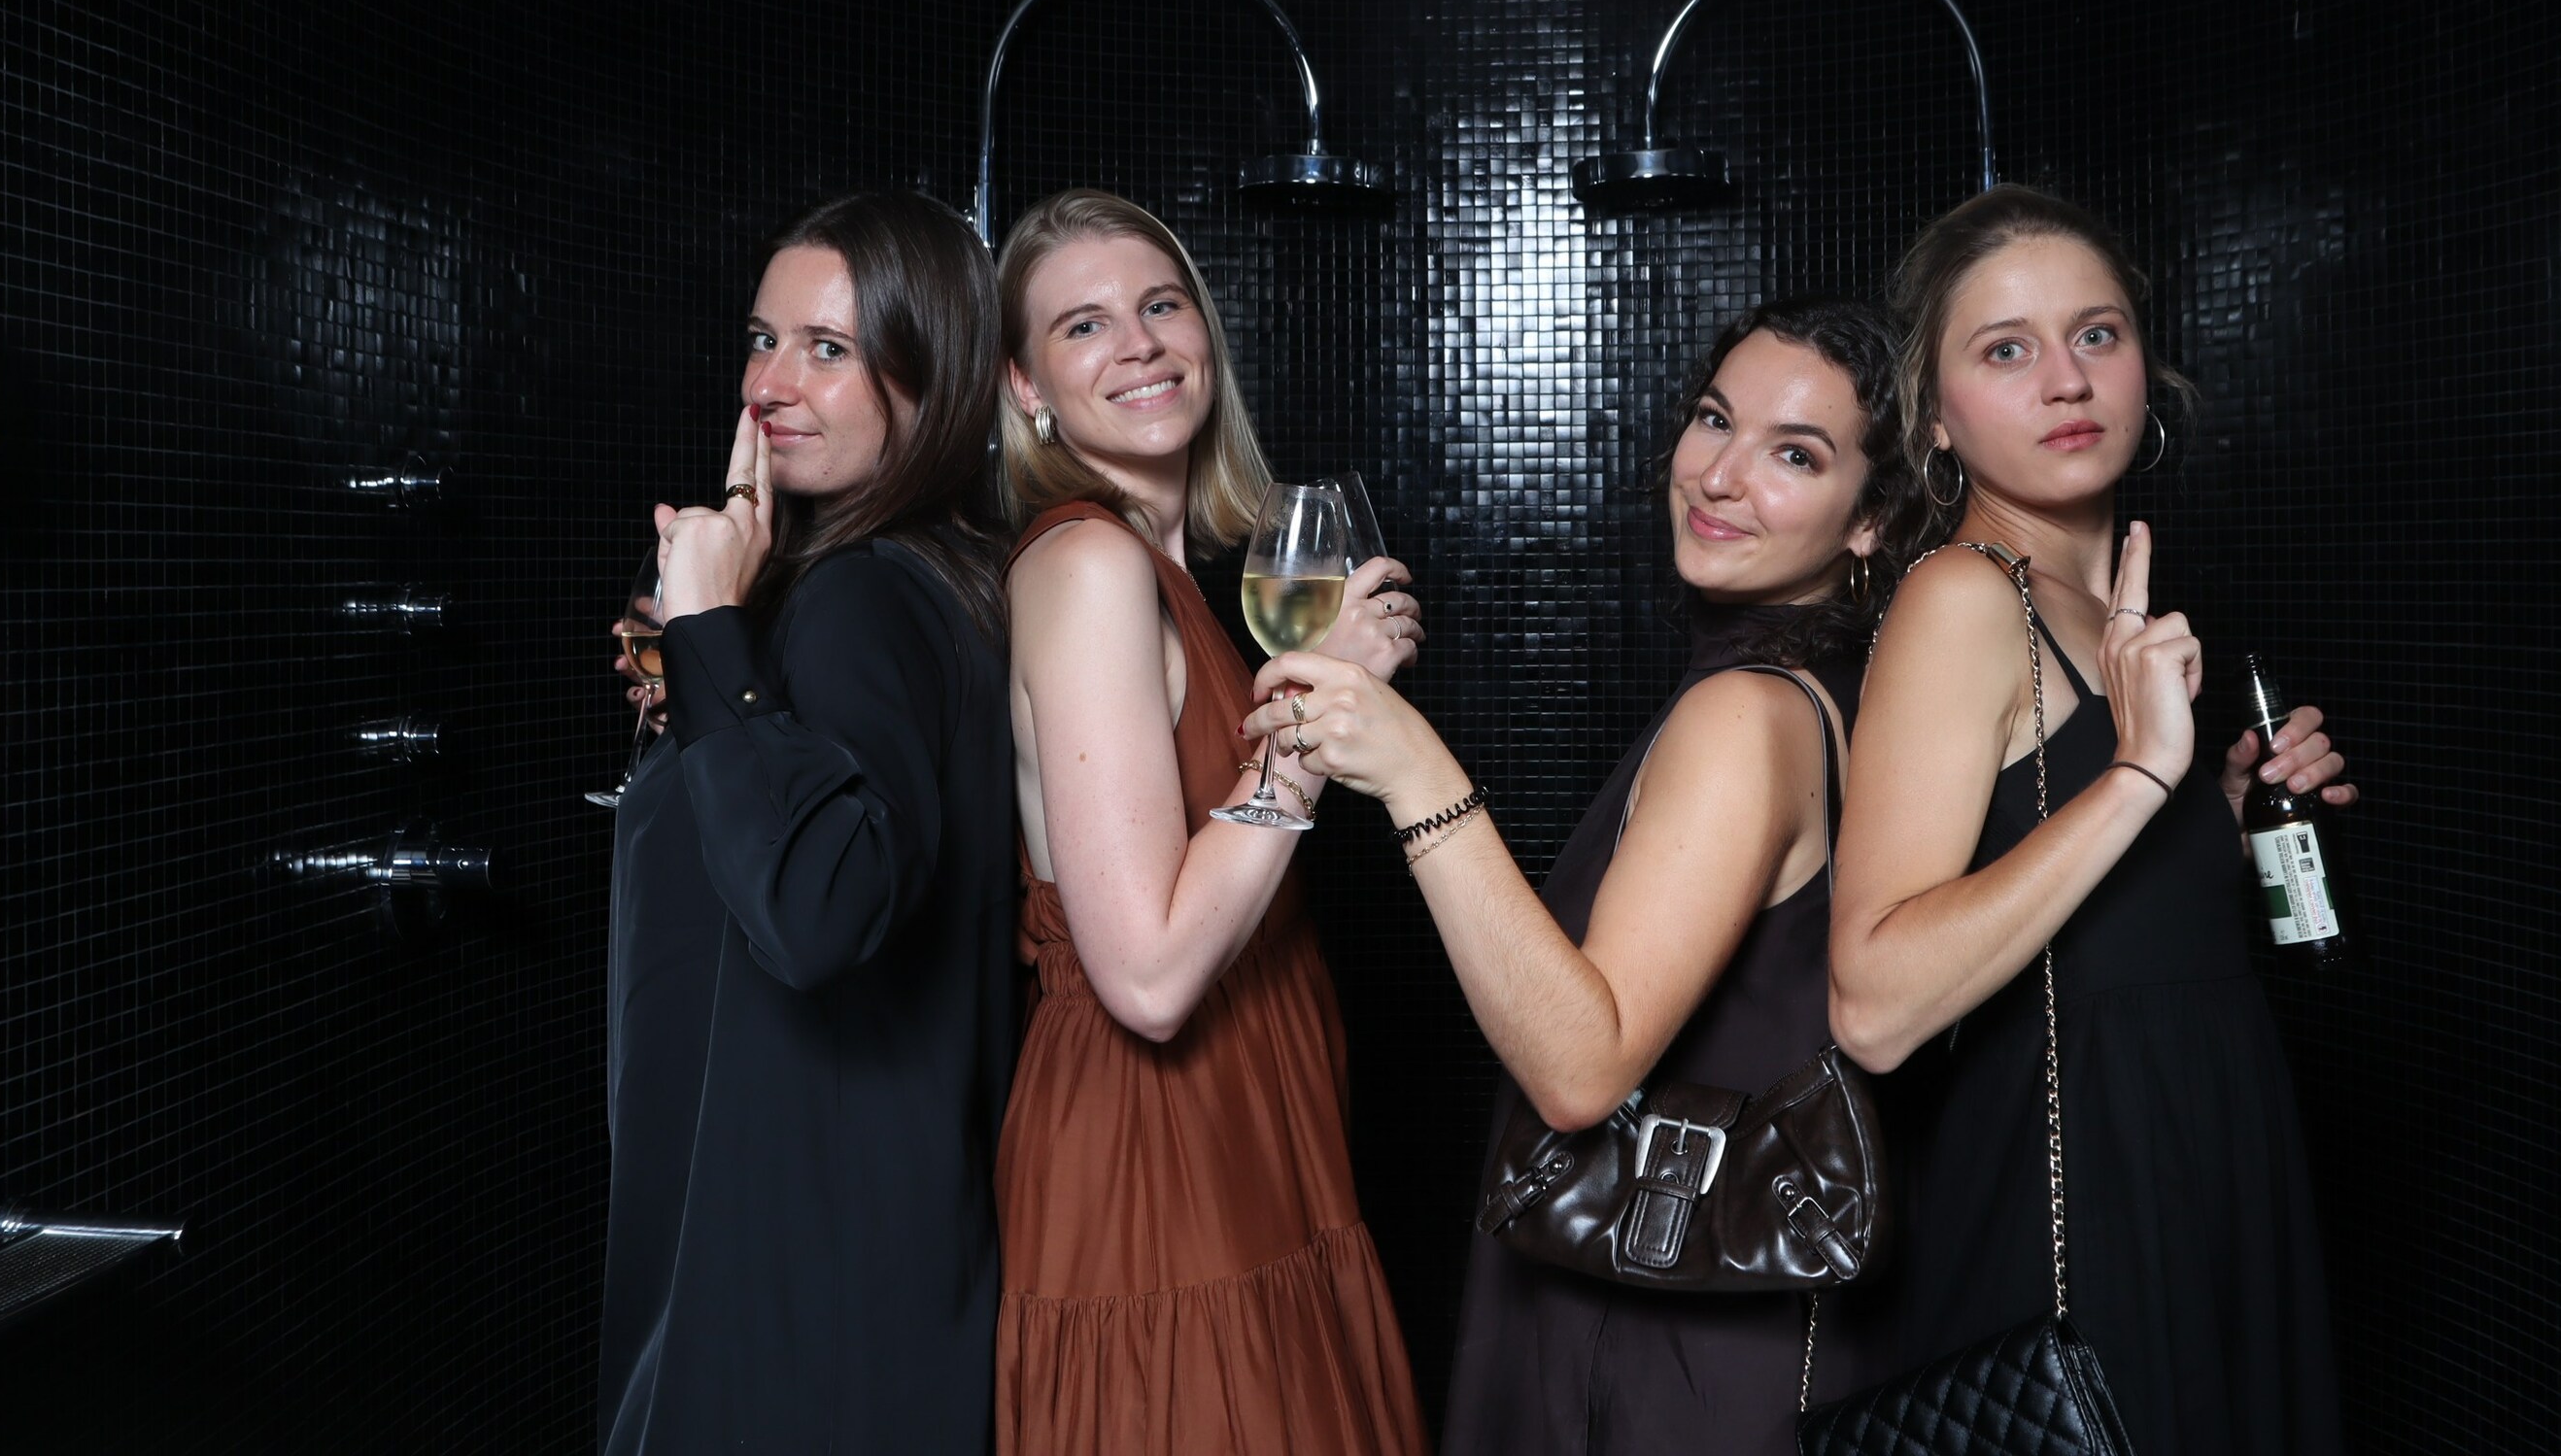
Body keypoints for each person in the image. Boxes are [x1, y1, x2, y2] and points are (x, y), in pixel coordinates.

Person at [1247, 296, 1931, 1454]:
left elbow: (1580, 1069)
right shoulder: (1837, 691)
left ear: (1869, 521)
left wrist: (1417, 773)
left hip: (1668, 1354)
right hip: (1717, 1333)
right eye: (1715, 419)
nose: (1720, 476)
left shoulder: (1747, 715)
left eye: (1795, 456)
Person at [1827, 186, 2359, 1456]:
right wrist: (2138, 778)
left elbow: (2088, 908)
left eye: (2097, 334)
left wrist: (2217, 818)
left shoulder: (2103, 597)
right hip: (2086, 1212)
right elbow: (1875, 1003)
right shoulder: (1964, 597)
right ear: (1936, 416)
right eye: (2006, 350)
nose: (2066, 379)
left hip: (2208, 1164)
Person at [991, 188, 1429, 1456]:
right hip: (1152, 1150)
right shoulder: (1089, 567)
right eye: (1083, 326)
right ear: (1025, 387)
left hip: (1256, 1120)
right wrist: (1315, 726)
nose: (1138, 342)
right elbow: (1148, 976)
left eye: (1161, 305)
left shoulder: (1174, 573)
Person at [599, 189, 1014, 1454]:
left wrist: (712, 633)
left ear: (931, 377)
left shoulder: (861, 599)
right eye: (762, 338)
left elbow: (821, 907)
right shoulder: (943, 575)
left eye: (827, 349)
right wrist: (709, 665)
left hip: (795, 1275)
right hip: (877, 1239)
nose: (769, 384)